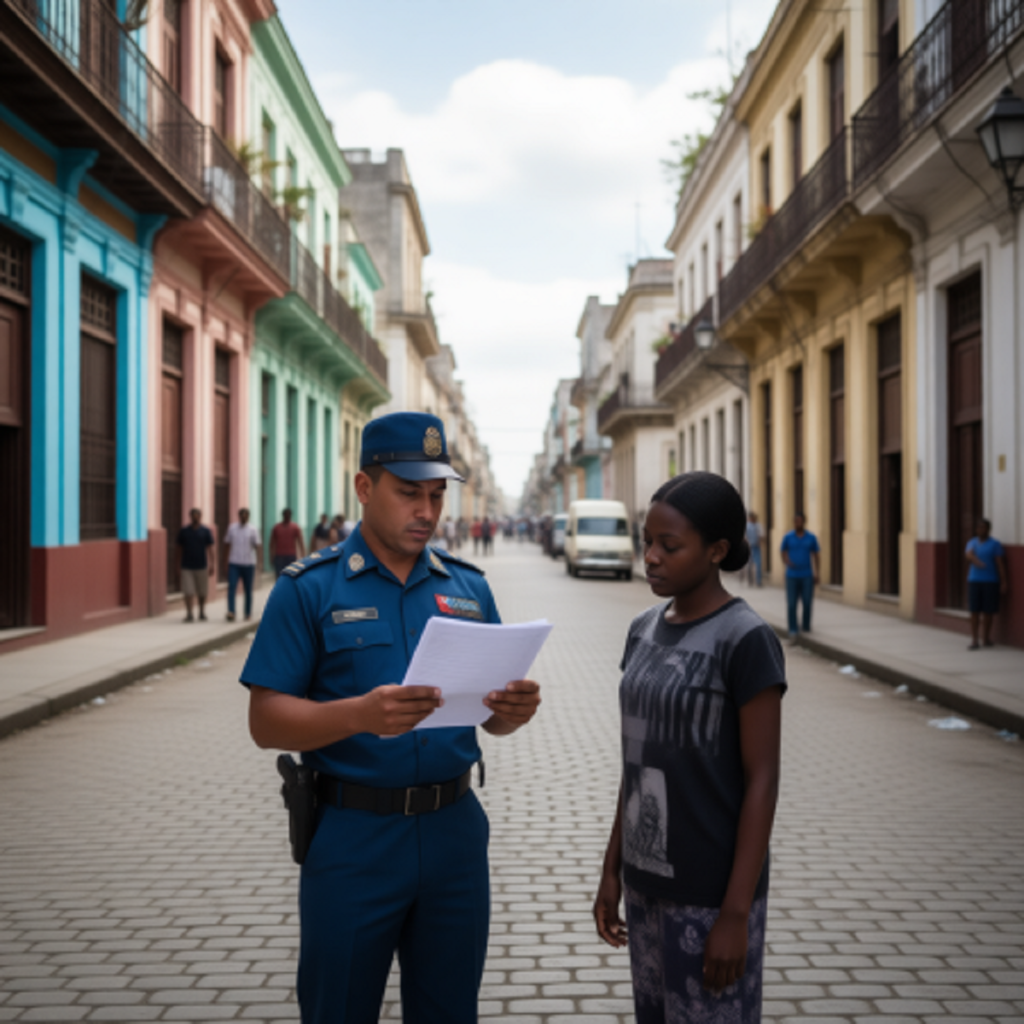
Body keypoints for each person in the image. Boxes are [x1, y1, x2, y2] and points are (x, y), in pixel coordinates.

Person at [239, 411, 542, 1024]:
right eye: (409, 493)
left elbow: (488, 721)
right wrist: (359, 714)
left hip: (455, 832)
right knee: (339, 1008)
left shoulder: (467, 588)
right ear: (363, 488)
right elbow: (266, 720)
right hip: (353, 837)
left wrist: (512, 713)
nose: (426, 511)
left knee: (449, 1010)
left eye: (436, 494)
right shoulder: (310, 589)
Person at [593, 471, 785, 1024]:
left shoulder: (746, 640)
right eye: (645, 541)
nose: (650, 556)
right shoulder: (642, 629)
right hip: (645, 884)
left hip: (710, 893)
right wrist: (613, 870)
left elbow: (763, 780)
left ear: (716, 551)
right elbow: (637, 764)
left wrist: (734, 913)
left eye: (668, 546)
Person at [966, 518, 1008, 650]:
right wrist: (974, 559)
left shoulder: (995, 544)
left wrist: (1004, 581)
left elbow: (1000, 564)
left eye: (983, 527)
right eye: (978, 527)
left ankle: (986, 638)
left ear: (988, 529)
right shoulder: (972, 542)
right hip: (974, 580)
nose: (980, 530)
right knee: (974, 611)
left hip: (990, 581)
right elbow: (968, 554)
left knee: (988, 611)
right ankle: (974, 639)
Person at [780, 512, 819, 638]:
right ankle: (792, 628)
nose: (798, 523)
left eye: (800, 521)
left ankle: (806, 626)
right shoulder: (788, 537)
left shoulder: (811, 538)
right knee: (792, 603)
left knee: (807, 602)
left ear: (804, 522)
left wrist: (817, 572)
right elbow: (783, 551)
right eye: (796, 521)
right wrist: (786, 561)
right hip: (791, 575)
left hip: (807, 574)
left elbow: (816, 555)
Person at [177, 508, 215, 622]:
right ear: (190, 517)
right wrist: (177, 565)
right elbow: (178, 550)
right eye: (193, 516)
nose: (195, 518)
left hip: (201, 566)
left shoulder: (205, 531)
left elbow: (210, 548)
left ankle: (201, 612)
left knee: (202, 591)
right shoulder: (184, 531)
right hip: (186, 566)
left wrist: (212, 564)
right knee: (188, 591)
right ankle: (189, 613)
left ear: (200, 516)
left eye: (197, 516)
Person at [223, 508, 261, 622]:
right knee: (232, 587)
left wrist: (259, 562)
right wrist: (225, 561)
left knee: (248, 589)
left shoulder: (253, 529)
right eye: (242, 516)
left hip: (248, 563)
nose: (244, 518)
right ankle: (231, 611)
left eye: (246, 516)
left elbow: (258, 546)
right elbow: (227, 544)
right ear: (239, 516)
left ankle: (247, 613)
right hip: (234, 562)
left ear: (248, 517)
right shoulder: (232, 528)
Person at [270, 508, 305, 578]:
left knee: (291, 576)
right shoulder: (277, 527)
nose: (287, 517)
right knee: (279, 576)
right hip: (279, 556)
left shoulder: (295, 527)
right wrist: (271, 556)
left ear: (290, 516)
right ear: (283, 516)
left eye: (288, 516)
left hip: (291, 556)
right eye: (285, 515)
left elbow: (300, 542)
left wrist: (303, 555)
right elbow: (272, 543)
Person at [745, 510, 764, 587]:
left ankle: (758, 581)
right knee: (749, 565)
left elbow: (761, 536)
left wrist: (760, 541)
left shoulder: (758, 526)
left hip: (756, 547)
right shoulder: (747, 526)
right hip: (749, 547)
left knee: (758, 564)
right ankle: (750, 580)